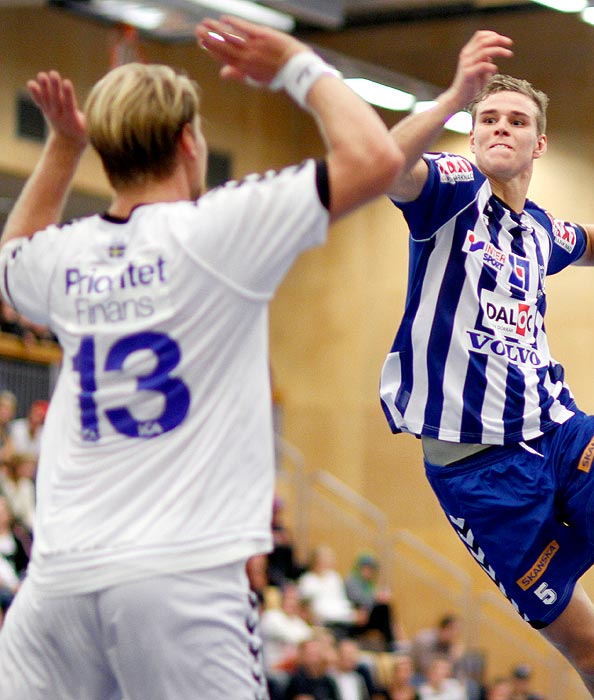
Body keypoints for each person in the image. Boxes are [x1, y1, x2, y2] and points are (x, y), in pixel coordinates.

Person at [0, 15, 402, 700]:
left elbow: (12, 259)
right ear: (190, 142)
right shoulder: (218, 230)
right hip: (180, 578)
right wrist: (299, 63)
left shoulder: (68, 256)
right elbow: (375, 159)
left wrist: (65, 146)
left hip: (58, 583)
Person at [379, 29, 594, 699]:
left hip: (556, 430)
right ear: (472, 138)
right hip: (479, 475)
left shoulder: (535, 229)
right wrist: (452, 96)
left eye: (517, 121)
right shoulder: (448, 194)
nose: (500, 128)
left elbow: (586, 241)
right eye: (488, 120)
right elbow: (384, 162)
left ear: (540, 144)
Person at [345, 551, 398, 650]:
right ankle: (391, 643)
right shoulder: (352, 580)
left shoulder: (369, 585)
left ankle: (392, 642)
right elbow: (356, 599)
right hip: (355, 616)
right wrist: (375, 597)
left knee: (385, 609)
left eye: (371, 569)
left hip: (366, 615)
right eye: (366, 568)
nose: (368, 572)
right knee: (383, 608)